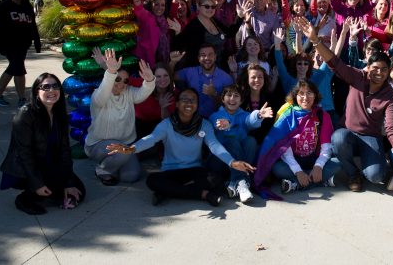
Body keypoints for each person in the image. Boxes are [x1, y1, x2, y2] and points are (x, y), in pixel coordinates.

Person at [298, 16, 393, 192]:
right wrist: (316, 41)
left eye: (384, 69)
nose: (379, 72)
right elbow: (334, 62)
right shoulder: (357, 77)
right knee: (338, 139)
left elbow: (392, 129)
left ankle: (377, 168)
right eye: (375, 68)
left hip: (370, 137)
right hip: (347, 132)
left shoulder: (390, 96)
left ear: (388, 72)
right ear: (368, 68)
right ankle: (353, 173)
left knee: (376, 176)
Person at [106, 89, 256, 207]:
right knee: (152, 180)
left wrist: (232, 162)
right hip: (171, 171)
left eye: (193, 100)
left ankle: (170, 191)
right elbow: (150, 139)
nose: (189, 103)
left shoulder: (204, 124)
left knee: (215, 179)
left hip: (195, 170)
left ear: (197, 105)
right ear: (177, 104)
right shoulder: (166, 124)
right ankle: (202, 195)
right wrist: (132, 148)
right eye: (184, 99)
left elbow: (214, 146)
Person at [0, 73, 86, 215]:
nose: (51, 90)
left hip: (49, 165)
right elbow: (24, 154)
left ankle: (51, 190)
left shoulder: (59, 114)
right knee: (55, 189)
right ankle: (24, 198)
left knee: (79, 190)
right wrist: (37, 184)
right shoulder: (25, 114)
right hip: (26, 169)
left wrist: (69, 182)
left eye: (55, 86)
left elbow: (65, 151)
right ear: (36, 91)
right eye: (45, 87)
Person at [254, 81, 341, 196]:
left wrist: (319, 166)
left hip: (314, 159)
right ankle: (321, 181)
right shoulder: (288, 116)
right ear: (295, 96)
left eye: (309, 93)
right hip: (294, 160)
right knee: (277, 168)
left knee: (338, 163)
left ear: (315, 96)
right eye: (301, 93)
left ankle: (295, 183)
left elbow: (326, 146)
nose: (305, 98)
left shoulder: (322, 115)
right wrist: (298, 171)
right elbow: (284, 149)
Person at [84, 50, 156, 185]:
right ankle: (102, 170)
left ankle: (114, 163)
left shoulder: (129, 92)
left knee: (131, 176)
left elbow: (142, 94)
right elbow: (104, 90)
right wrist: (110, 71)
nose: (121, 83)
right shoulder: (99, 95)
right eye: (117, 79)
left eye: (125, 81)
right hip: (98, 145)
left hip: (125, 145)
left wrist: (150, 80)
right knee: (122, 152)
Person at [208, 85, 273, 203]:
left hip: (240, 161)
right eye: (229, 95)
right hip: (220, 162)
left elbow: (249, 120)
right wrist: (224, 124)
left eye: (236, 96)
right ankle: (243, 182)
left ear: (241, 100)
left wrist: (258, 115)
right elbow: (216, 121)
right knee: (232, 141)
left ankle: (236, 182)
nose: (232, 99)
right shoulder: (216, 115)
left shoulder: (243, 115)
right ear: (223, 99)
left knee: (251, 141)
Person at [0, 0, 41, 108]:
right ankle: (22, 99)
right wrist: (0, 45)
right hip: (9, 44)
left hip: (23, 44)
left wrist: (37, 41)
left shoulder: (27, 7)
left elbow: (32, 25)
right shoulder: (4, 7)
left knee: (14, 68)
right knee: (18, 68)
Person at [171, 43, 234, 118]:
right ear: (198, 58)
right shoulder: (190, 72)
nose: (207, 58)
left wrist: (214, 94)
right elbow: (169, 77)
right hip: (192, 119)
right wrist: (173, 62)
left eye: (210, 54)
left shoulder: (226, 78)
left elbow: (230, 106)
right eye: (203, 55)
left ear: (215, 57)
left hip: (216, 121)